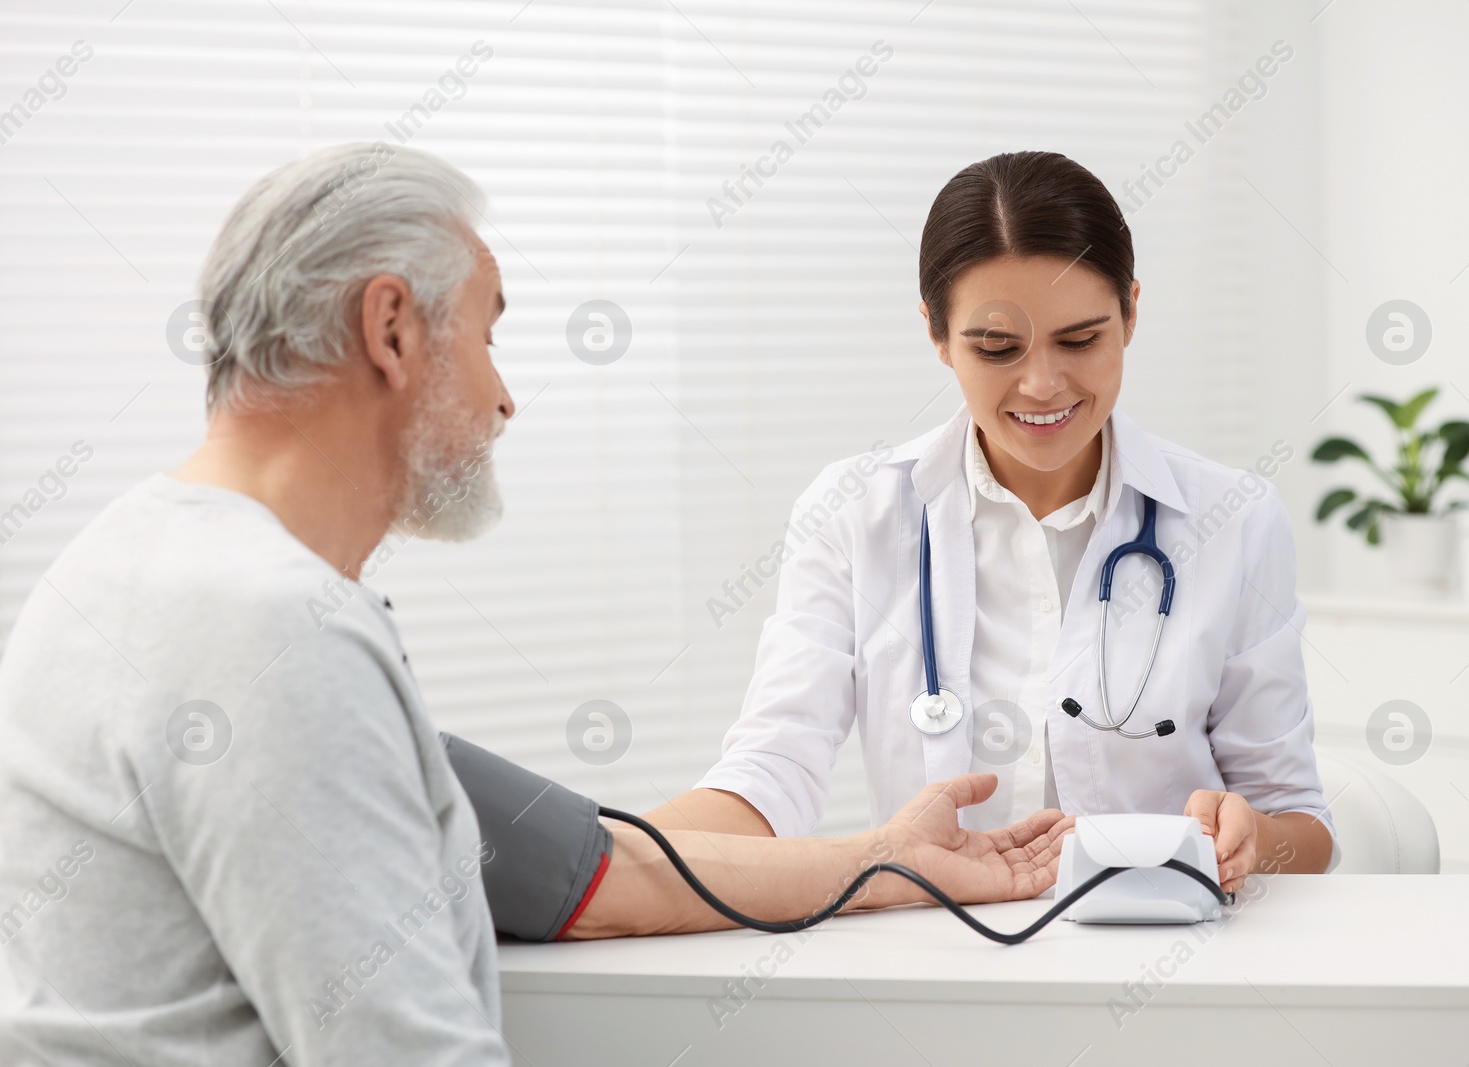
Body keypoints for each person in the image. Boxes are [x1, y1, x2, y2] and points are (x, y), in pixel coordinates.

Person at [0, 143, 1070, 1067]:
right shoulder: (272, 635)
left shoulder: (126, 563)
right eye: (487, 333)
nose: (504, 396)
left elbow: (591, 867)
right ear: (391, 328)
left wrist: (879, 861)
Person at [653, 150, 1339, 892]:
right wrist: (599, 863)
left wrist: (1248, 839)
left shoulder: (1232, 520)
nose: (1043, 384)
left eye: (1080, 340)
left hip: (1163, 945)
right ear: (938, 334)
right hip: (947, 955)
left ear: (1132, 311)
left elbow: (1297, 819)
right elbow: (770, 769)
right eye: (997, 347)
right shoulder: (853, 513)